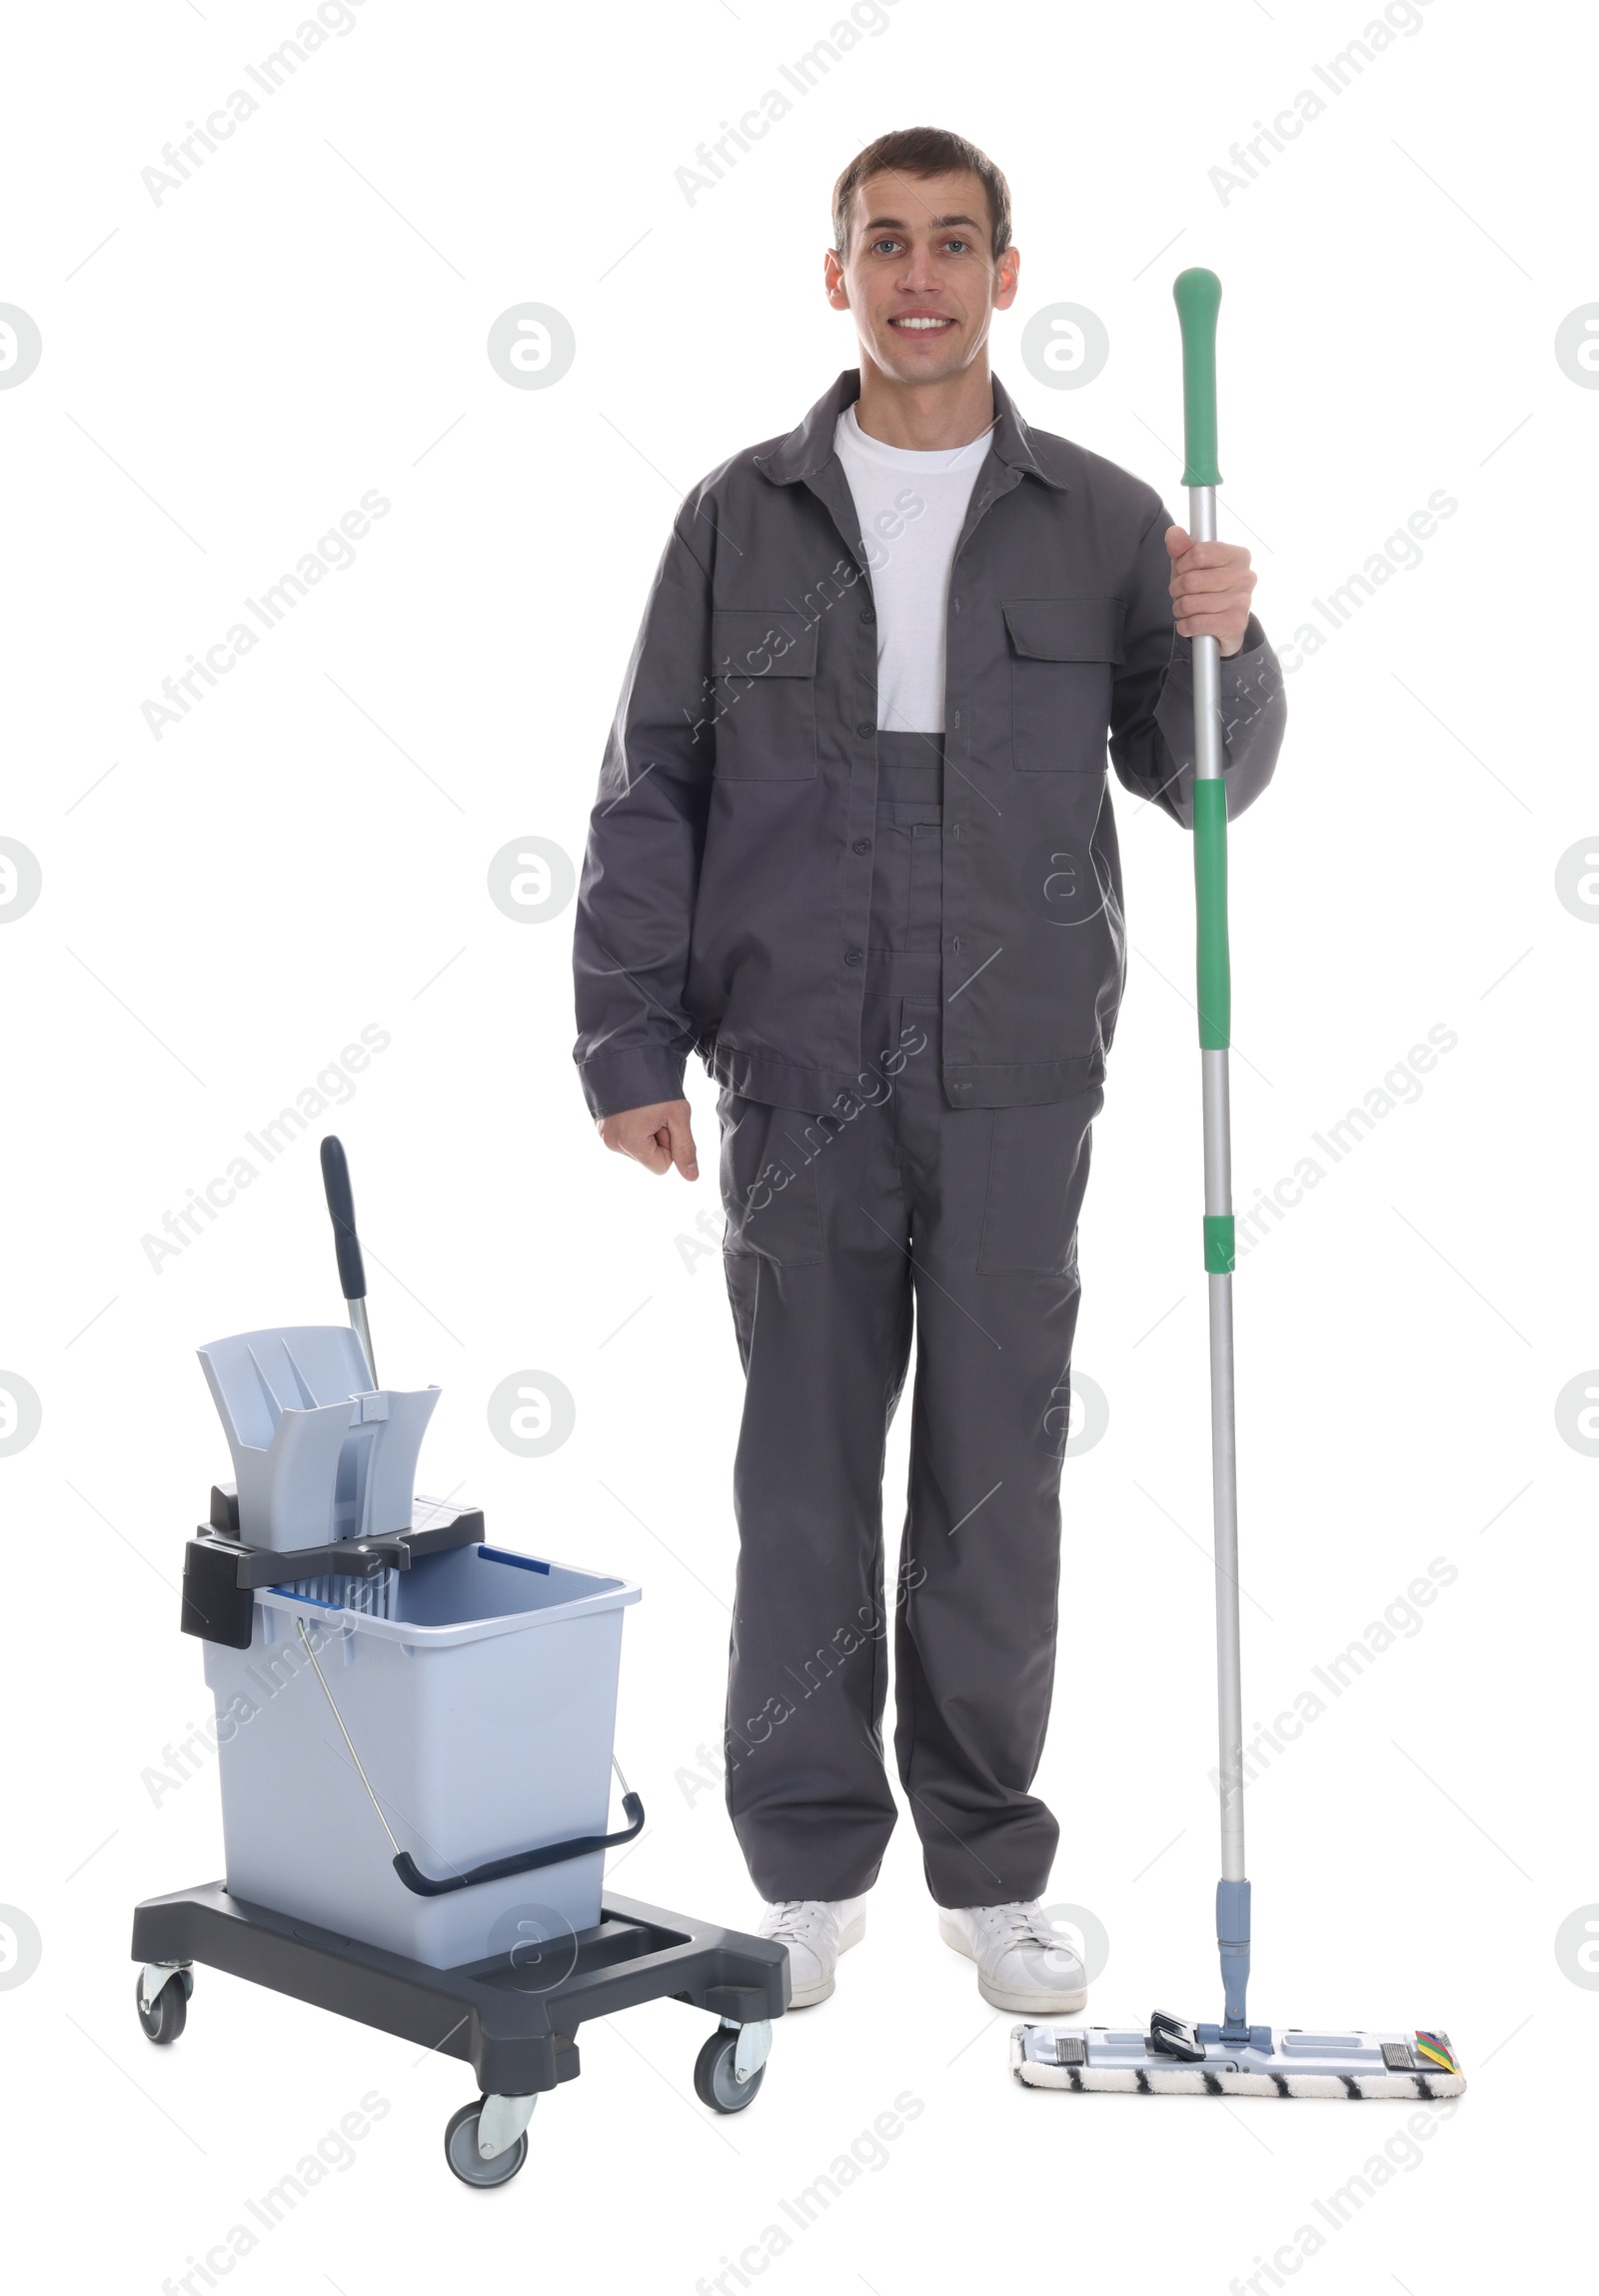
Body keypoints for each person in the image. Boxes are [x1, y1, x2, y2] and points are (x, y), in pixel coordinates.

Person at [573, 126, 1285, 2012]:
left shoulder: (1111, 522)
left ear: (1003, 272)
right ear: (836, 276)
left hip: (1016, 1067)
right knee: (803, 1473)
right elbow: (654, 785)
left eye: (952, 246)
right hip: (800, 1064)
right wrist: (626, 1041)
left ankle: (988, 1866)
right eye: (883, 245)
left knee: (994, 1477)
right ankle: (807, 1869)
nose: (918, 279)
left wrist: (1237, 639)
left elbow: (1206, 776)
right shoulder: (740, 515)